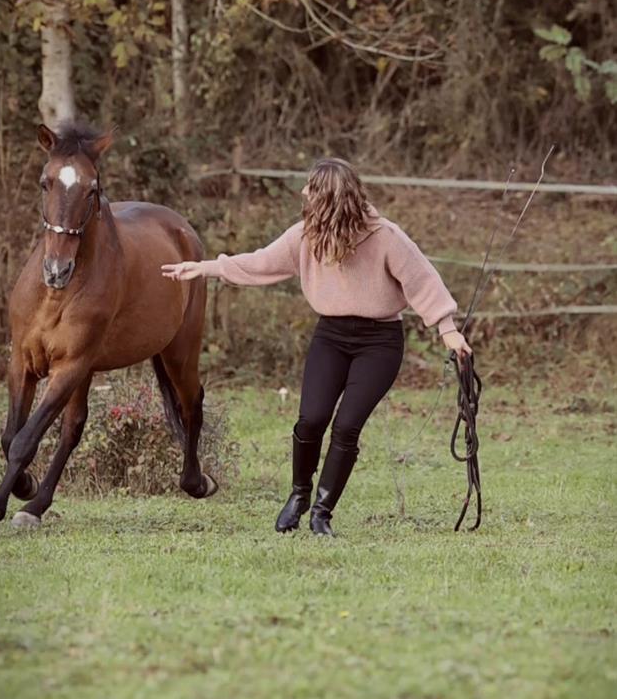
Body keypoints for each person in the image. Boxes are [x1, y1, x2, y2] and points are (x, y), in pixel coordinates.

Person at [161, 159, 471, 536]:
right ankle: (299, 495)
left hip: (379, 343)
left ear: (330, 197)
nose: (304, 194)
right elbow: (259, 263)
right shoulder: (305, 236)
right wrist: (205, 268)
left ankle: (322, 512)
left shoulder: (386, 237)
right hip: (331, 337)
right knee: (310, 420)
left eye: (311, 188)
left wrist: (447, 328)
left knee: (346, 427)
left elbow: (422, 280)